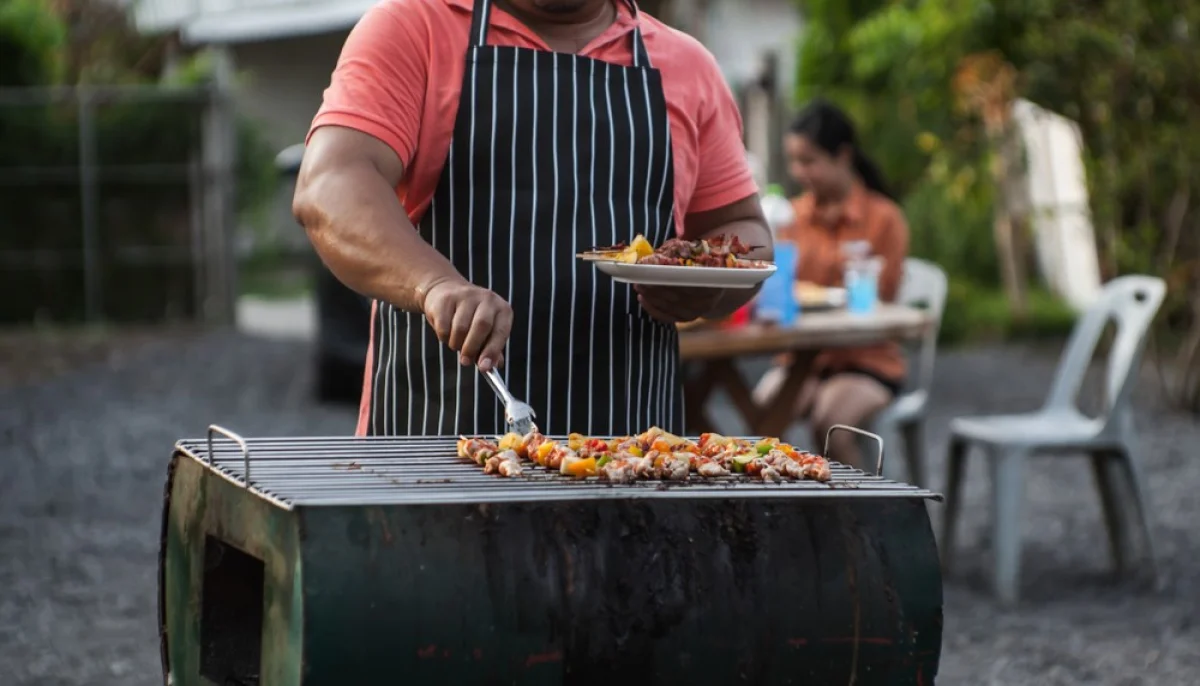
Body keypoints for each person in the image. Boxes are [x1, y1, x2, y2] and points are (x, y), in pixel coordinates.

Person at [293, 0, 772, 437]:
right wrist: (434, 285)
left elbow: (746, 232)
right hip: (436, 450)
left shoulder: (686, 66)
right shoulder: (414, 28)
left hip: (636, 460)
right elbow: (330, 185)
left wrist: (709, 283)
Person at [753, 98, 909, 468]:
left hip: (866, 362)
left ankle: (861, 520)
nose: (799, 171)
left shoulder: (884, 218)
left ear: (842, 156)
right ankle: (781, 517)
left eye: (809, 161)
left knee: (831, 422)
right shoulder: (791, 217)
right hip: (800, 363)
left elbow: (883, 297)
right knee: (758, 418)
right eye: (794, 161)